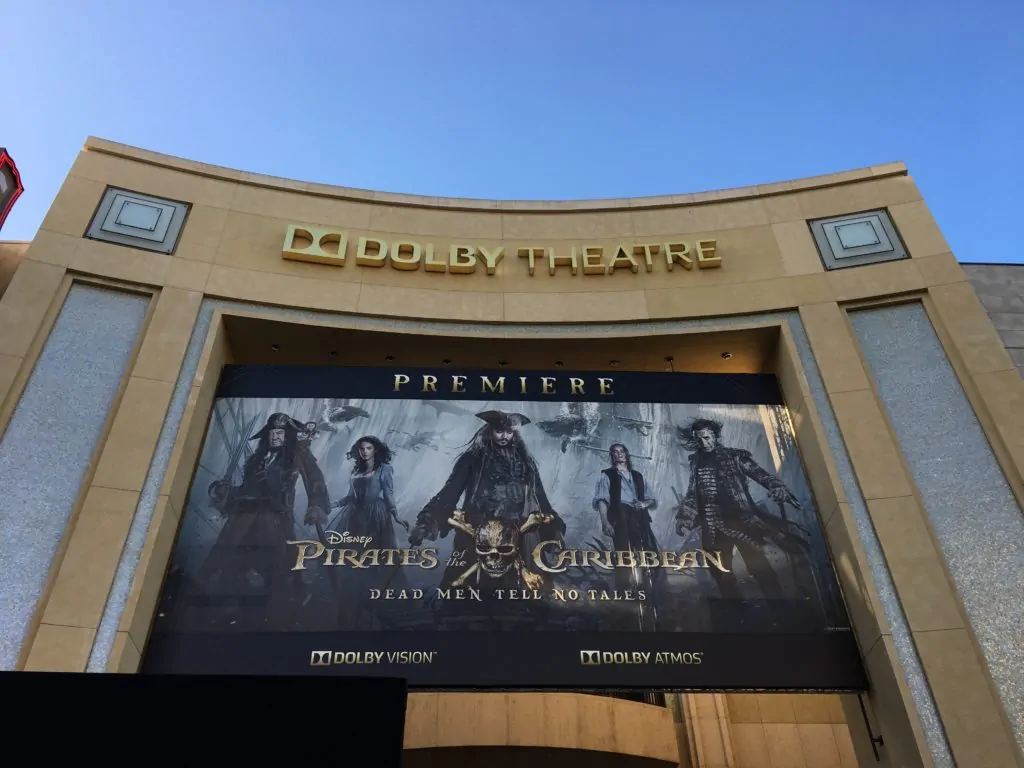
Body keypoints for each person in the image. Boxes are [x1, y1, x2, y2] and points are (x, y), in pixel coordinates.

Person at [199, 412, 330, 629]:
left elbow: (315, 479)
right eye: (272, 433)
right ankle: (232, 612)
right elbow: (247, 490)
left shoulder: (297, 455)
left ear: (287, 435)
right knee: (230, 560)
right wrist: (227, 492)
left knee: (279, 567)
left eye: (280, 433)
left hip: (275, 519)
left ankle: (282, 612)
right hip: (245, 519)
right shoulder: (257, 460)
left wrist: (316, 505)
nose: (275, 437)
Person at [408, 410, 565, 590]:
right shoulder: (473, 459)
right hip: (475, 530)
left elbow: (540, 497)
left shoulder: (525, 462)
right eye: (499, 431)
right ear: (490, 431)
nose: (504, 436)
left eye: (509, 431)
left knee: (514, 590)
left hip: (514, 534)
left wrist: (554, 525)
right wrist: (427, 521)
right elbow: (450, 492)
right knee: (466, 587)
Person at [675, 418, 806, 608]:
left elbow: (761, 474)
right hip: (712, 526)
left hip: (742, 521)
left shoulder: (735, 457)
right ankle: (737, 614)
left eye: (707, 437)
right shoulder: (696, 463)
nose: (704, 443)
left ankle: (781, 610)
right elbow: (692, 493)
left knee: (760, 568)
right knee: (721, 573)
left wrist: (777, 487)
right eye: (699, 440)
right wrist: (684, 517)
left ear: (715, 436)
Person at [593, 443, 663, 592]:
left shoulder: (638, 476)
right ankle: (624, 591)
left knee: (648, 552)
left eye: (621, 451)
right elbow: (601, 500)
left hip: (640, 518)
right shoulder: (607, 475)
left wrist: (644, 504)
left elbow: (652, 499)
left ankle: (649, 589)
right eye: (615, 452)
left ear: (626, 453)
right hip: (620, 517)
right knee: (623, 554)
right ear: (612, 456)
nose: (619, 454)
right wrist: (605, 522)